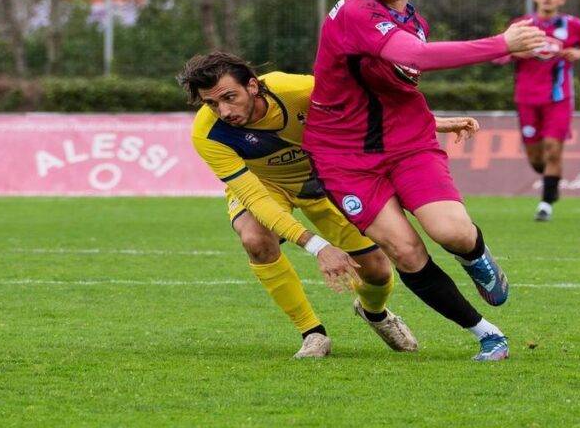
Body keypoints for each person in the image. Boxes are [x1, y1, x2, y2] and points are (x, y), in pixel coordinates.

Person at [303, 0, 544, 361]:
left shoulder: (413, 21)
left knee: (450, 232)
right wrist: (502, 45)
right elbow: (413, 59)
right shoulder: (357, 14)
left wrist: (436, 123)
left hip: (408, 143)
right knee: (406, 251)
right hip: (344, 159)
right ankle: (487, 334)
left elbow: (383, 93)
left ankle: (476, 258)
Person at [178, 52, 482, 357]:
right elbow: (254, 197)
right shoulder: (208, 133)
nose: (224, 110)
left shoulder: (299, 91)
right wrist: (317, 246)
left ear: (253, 86)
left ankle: (374, 313)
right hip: (266, 186)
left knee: (377, 271)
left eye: (230, 97)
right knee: (255, 239)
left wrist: (431, 122)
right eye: (212, 104)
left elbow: (368, 107)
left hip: (326, 180)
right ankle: (313, 333)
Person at [494, 0, 580, 222]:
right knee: (536, 159)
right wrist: (515, 52)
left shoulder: (574, 25)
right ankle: (552, 182)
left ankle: (546, 204)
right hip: (527, 99)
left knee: (554, 151)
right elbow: (496, 54)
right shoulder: (521, 25)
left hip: (559, 98)